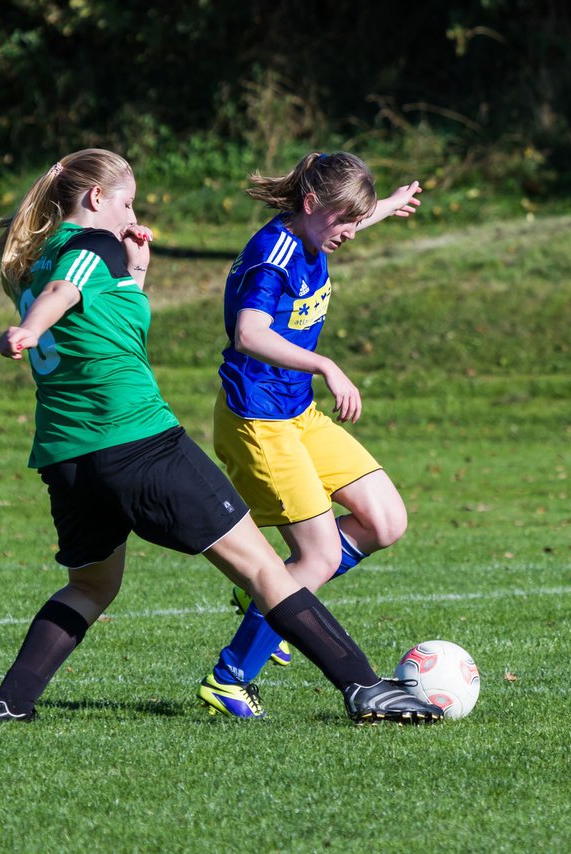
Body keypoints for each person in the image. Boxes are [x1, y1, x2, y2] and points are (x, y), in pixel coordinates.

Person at [0, 147, 442, 726]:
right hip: (139, 446)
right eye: (127, 202)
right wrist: (27, 328)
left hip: (68, 457)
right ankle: (365, 686)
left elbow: (101, 319)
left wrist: (137, 274)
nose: (131, 215)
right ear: (97, 200)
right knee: (269, 572)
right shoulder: (87, 249)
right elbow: (62, 298)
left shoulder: (40, 257)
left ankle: (9, 704)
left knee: (92, 586)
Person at [194, 151, 424, 719]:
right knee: (317, 556)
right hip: (258, 419)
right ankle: (229, 678)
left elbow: (339, 222)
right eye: (345, 219)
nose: (350, 231)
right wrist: (325, 365)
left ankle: (268, 593)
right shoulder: (274, 255)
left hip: (297, 414)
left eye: (356, 220)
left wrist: (386, 207)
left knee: (385, 519)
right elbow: (249, 333)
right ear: (311, 202)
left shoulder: (316, 232)